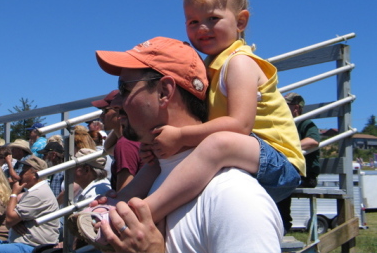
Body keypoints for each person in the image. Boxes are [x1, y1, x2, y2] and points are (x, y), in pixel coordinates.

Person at [105, 0, 305, 224]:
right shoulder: (209, 67)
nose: (202, 28)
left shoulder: (239, 63)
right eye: (193, 22)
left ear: (240, 22)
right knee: (161, 154)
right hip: (244, 152)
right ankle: (115, 204)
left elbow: (240, 125)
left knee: (216, 144)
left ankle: (145, 214)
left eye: (213, 18)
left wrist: (179, 136)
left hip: (277, 161)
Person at [92, 37, 283, 252]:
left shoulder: (233, 197)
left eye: (124, 89)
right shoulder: (155, 176)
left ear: (164, 92)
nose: (116, 102)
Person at [0, 156, 60, 253]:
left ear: (34, 174)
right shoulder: (32, 191)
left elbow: (9, 219)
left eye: (24, 171)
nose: (20, 174)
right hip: (20, 241)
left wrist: (14, 193)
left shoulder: (38, 193)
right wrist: (15, 223)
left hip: (33, 245)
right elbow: (11, 217)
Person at [277, 92, 321, 233]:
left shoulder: (305, 123)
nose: (280, 107)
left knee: (281, 182)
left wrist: (289, 147)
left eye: (285, 105)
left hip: (306, 176)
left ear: (296, 108)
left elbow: (313, 141)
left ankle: (283, 224)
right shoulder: (284, 124)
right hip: (289, 171)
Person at [92, 90, 141, 191]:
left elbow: (123, 193)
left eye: (105, 111)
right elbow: (108, 147)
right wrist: (120, 126)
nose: (101, 116)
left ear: (119, 110)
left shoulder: (125, 144)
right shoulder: (130, 140)